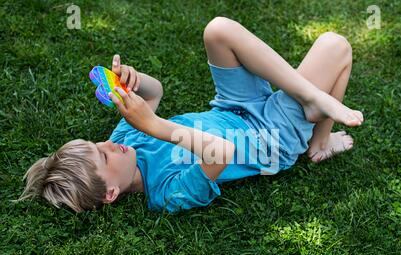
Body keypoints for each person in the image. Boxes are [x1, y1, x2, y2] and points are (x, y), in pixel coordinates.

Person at [16, 17, 363, 214]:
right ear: (110, 193)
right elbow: (221, 152)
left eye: (97, 143)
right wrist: (154, 125)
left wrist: (137, 81)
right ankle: (318, 141)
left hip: (230, 106)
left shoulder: (124, 140)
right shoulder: (167, 194)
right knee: (335, 45)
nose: (108, 144)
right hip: (271, 138)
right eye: (103, 155)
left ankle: (310, 99)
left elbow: (155, 93)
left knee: (218, 30)